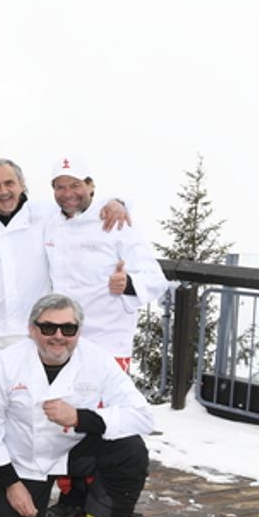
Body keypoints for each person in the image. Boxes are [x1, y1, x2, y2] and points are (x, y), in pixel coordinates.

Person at [0, 293, 153, 517]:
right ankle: (2, 500)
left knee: (130, 450)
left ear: (78, 331)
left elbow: (142, 417)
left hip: (74, 450)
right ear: (32, 330)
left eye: (68, 329)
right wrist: (9, 482)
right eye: (48, 328)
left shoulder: (97, 360)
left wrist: (80, 418)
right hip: (23, 461)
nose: (59, 337)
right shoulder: (5, 363)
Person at [0, 158, 132, 353]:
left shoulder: (46, 214)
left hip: (33, 333)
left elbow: (78, 205)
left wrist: (117, 203)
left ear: (22, 185)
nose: (4, 191)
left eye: (9, 183)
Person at [44, 156, 167, 368]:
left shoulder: (117, 221)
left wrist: (128, 283)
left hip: (107, 344)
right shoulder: (50, 223)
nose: (68, 194)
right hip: (60, 344)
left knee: (108, 402)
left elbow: (156, 279)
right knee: (60, 402)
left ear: (91, 186)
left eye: (75, 185)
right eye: (60, 187)